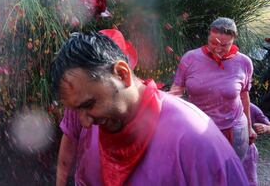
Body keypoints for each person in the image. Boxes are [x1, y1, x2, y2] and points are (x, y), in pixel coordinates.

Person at [51, 30, 248, 186]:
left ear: (122, 74)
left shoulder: (195, 139)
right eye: (77, 110)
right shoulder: (95, 124)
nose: (84, 123)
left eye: (89, 104)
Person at [170, 17, 256, 162]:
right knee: (200, 172)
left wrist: (249, 127)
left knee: (230, 173)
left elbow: (244, 96)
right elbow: (176, 91)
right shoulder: (190, 58)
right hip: (198, 128)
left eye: (225, 45)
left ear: (234, 40)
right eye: (213, 43)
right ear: (208, 36)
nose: (218, 48)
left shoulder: (244, 62)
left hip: (233, 130)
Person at [243, 103, 270, 186]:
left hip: (247, 151)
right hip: (225, 150)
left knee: (248, 180)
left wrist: (266, 128)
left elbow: (268, 126)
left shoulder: (251, 108)